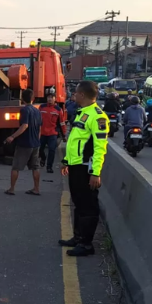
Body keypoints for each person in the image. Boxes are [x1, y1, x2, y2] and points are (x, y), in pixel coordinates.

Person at [59, 80, 110, 257]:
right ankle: (78, 237)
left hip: (86, 168)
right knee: (78, 203)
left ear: (82, 95)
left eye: (76, 93)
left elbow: (100, 147)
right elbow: (75, 141)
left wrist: (95, 173)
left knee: (88, 206)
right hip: (75, 166)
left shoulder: (98, 117)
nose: (74, 96)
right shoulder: (82, 113)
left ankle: (87, 244)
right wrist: (66, 161)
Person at [5, 89, 42, 196]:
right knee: (35, 167)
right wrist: (37, 140)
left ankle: (12, 189)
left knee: (16, 167)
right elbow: (40, 128)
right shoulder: (37, 111)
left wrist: (12, 136)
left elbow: (24, 125)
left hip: (24, 143)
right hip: (35, 143)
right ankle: (36, 189)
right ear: (33, 99)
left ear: (22, 99)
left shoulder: (25, 110)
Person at [38, 92, 66, 173]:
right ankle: (43, 158)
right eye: (48, 97)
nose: (50, 99)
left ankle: (49, 167)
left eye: (51, 97)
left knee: (52, 150)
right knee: (40, 149)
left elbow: (62, 123)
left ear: (55, 99)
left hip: (52, 134)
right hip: (42, 133)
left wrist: (64, 135)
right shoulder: (42, 107)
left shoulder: (58, 110)